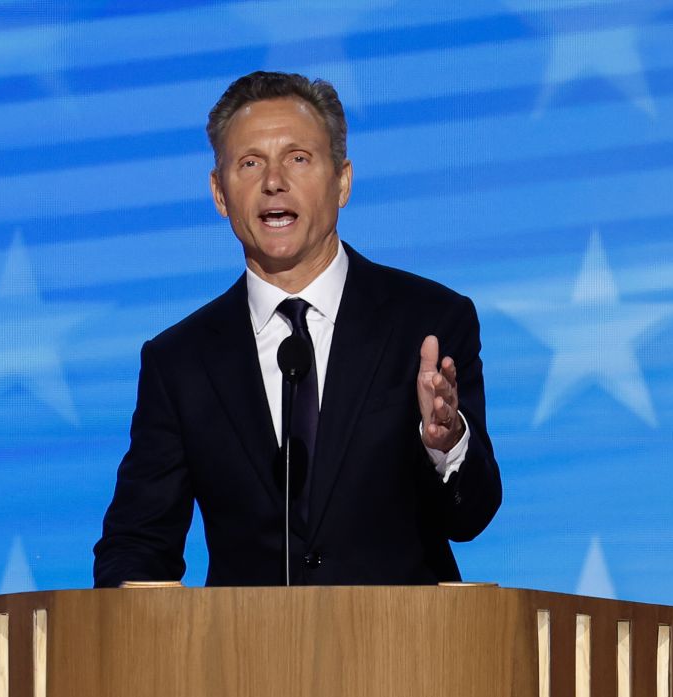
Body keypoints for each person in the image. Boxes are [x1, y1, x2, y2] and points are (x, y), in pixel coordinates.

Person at [93, 71, 501, 587]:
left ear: (343, 181)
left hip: (402, 655)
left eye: (298, 158)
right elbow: (137, 541)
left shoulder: (429, 323)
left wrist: (446, 443)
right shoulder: (180, 360)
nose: (273, 182)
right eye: (250, 163)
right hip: (241, 659)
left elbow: (471, 518)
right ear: (220, 194)